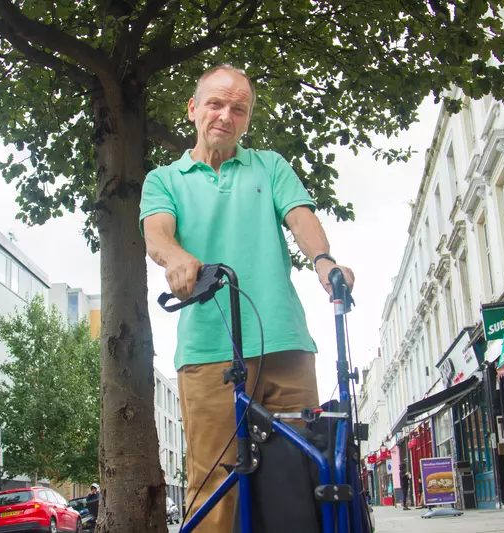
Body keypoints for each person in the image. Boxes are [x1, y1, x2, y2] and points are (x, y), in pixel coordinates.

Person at [140, 64, 355, 532]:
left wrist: (324, 261)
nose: (225, 115)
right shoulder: (164, 180)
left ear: (247, 119)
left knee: (304, 471)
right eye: (215, 103)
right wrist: (176, 257)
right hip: (208, 351)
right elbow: (156, 233)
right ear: (194, 108)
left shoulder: (270, 166)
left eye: (238, 108)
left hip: (284, 342)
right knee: (215, 481)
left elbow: (301, 219)